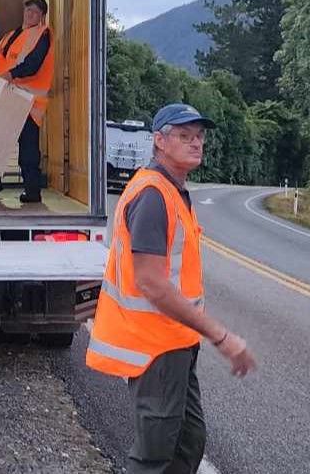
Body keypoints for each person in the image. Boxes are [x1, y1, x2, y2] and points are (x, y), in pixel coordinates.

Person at [86, 103, 257, 474]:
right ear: (159, 141)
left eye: (199, 136)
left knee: (188, 441)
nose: (196, 143)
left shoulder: (173, 190)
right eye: (184, 136)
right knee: (155, 455)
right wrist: (221, 336)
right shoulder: (153, 195)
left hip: (176, 342)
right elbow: (152, 283)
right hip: (155, 346)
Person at [0, 0, 55, 203]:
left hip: (26, 99)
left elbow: (33, 63)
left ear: (42, 16)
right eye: (27, 10)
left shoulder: (43, 33)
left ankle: (32, 191)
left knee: (27, 147)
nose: (30, 14)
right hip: (5, 95)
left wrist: (11, 74)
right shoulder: (10, 36)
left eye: (35, 12)